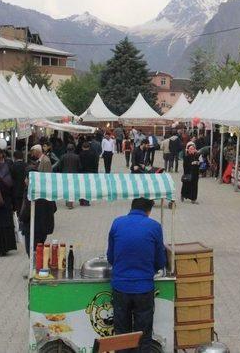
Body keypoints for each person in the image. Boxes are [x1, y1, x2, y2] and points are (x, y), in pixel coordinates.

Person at [107, 197, 166, 352]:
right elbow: (160, 261)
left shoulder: (117, 223)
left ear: (131, 207)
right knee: (143, 335)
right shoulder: (154, 226)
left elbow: (110, 257)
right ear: (148, 211)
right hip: (144, 288)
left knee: (121, 334)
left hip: (121, 287)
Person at [60, 144, 81, 208]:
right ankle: (70, 203)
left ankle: (67, 200)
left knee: (66, 188)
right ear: (73, 149)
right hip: (74, 174)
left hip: (65, 174)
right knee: (72, 189)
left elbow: (60, 166)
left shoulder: (63, 156)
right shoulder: (77, 157)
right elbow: (79, 166)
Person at [79, 142, 98, 206]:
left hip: (82, 172)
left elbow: (79, 165)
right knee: (88, 187)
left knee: (82, 187)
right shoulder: (93, 154)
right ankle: (86, 201)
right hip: (91, 172)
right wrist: (96, 172)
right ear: (89, 147)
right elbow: (96, 164)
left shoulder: (80, 154)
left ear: (82, 147)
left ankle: (81, 200)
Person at [10, 150, 27, 215]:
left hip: (15, 190)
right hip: (24, 189)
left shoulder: (13, 166)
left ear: (14, 157)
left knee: (17, 208)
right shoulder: (26, 165)